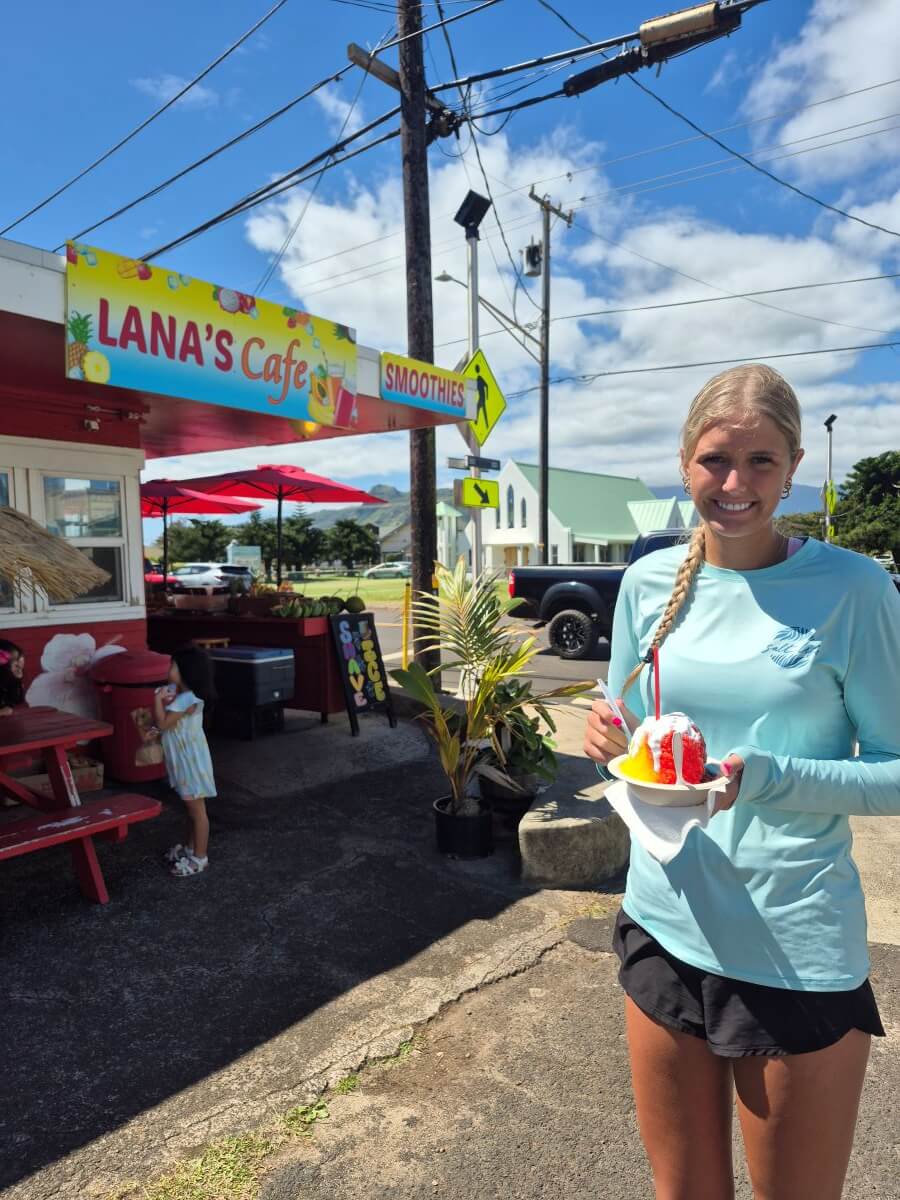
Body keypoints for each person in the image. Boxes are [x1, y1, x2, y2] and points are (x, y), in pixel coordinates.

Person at [583, 363, 900, 1200]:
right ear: (686, 460)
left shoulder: (854, 590)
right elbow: (625, 729)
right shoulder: (647, 584)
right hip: (663, 920)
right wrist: (604, 736)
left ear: (794, 465)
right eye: (717, 459)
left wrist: (767, 778)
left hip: (792, 943)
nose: (735, 483)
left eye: (762, 461)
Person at [154, 646, 217, 878]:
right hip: (187, 761)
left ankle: (200, 858)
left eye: (173, 665)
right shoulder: (184, 696)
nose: (169, 669)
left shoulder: (185, 700)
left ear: (186, 672)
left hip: (189, 764)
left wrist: (157, 700)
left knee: (197, 812)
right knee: (192, 810)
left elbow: (162, 724)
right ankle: (191, 849)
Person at [0, 638, 25, 716]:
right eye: (14, 662)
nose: (18, 666)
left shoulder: (8, 680)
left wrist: (17, 680)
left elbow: (18, 700)